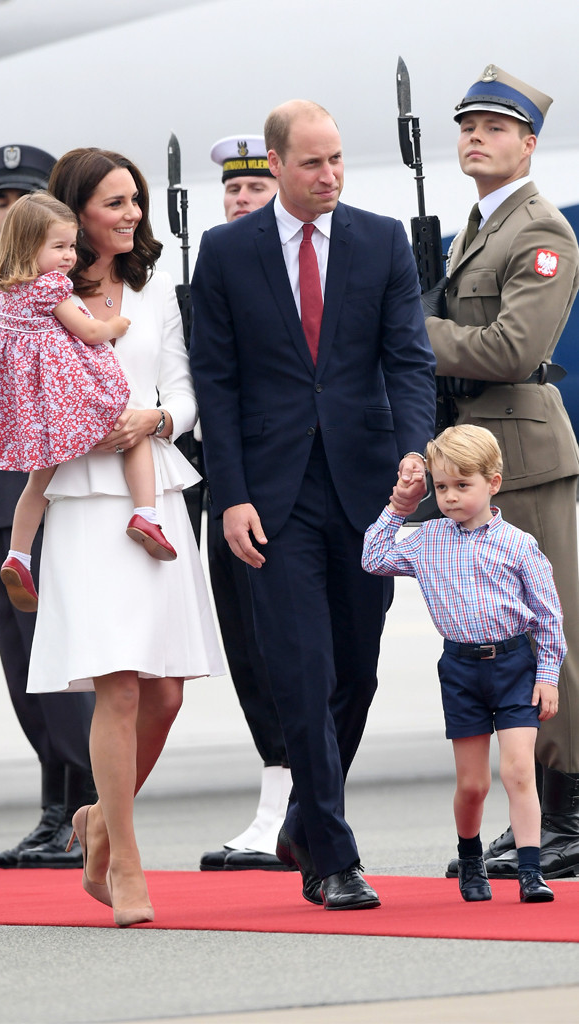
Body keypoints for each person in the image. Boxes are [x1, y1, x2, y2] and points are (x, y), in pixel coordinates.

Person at [190, 100, 436, 909]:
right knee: (301, 666)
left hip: (368, 486)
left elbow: (407, 360)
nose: (329, 176)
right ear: (274, 162)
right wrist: (229, 497)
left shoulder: (381, 240)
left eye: (336, 160)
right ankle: (332, 855)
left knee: (355, 674)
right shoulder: (227, 253)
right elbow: (217, 386)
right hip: (272, 491)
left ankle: (301, 815)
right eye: (312, 164)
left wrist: (414, 454)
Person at [27, 147, 223, 927]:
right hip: (84, 496)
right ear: (76, 212)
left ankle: (98, 822)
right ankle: (127, 863)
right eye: (115, 202)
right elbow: (24, 393)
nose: (131, 213)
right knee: (119, 683)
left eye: (134, 200)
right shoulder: (38, 292)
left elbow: (181, 384)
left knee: (166, 693)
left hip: (157, 489)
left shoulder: (156, 286)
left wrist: (161, 419)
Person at [422, 65, 579, 880]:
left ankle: (571, 814)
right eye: (466, 125)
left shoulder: (540, 232)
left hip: (521, 453)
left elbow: (514, 350)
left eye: (493, 126)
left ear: (529, 142)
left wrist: (412, 328)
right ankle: (539, 817)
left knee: (550, 634)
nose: (475, 136)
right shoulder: (477, 227)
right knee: (499, 634)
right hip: (478, 455)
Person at [0, 144, 99, 870]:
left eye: (21, 201)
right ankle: (54, 810)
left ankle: (81, 812)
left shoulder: (60, 294)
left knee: (57, 663)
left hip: (39, 496)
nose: (7, 212)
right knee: (21, 665)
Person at [363, 424, 563, 903]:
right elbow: (372, 558)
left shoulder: (518, 544)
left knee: (518, 771)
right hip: (460, 670)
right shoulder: (426, 538)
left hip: (515, 664)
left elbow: (549, 616)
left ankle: (532, 871)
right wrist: (400, 507)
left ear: (493, 482)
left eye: (462, 486)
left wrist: (548, 677)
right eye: (442, 487)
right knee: (472, 785)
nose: (450, 497)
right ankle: (471, 860)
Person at [0, 191, 176, 612]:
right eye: (58, 247)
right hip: (65, 395)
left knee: (38, 481)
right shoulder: (52, 288)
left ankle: (18, 555)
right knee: (130, 431)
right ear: (28, 247)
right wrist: (115, 322)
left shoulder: (9, 289)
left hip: (32, 404)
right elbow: (89, 332)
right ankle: (146, 514)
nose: (68, 257)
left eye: (71, 246)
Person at [199, 135, 291, 873]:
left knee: (299, 649)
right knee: (248, 649)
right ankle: (277, 796)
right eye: (233, 189)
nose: (240, 198)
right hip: (232, 485)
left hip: (298, 485)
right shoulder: (213, 264)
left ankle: (295, 804)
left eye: (254, 187)